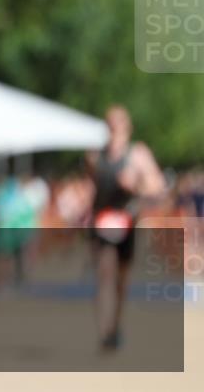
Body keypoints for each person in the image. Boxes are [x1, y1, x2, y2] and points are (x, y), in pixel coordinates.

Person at [85, 104, 166, 352]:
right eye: (109, 124)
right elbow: (91, 190)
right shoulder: (94, 156)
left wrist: (135, 185)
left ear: (127, 127)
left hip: (126, 223)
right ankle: (104, 331)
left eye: (118, 124)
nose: (114, 129)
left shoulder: (138, 154)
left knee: (120, 280)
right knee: (104, 272)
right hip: (101, 223)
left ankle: (115, 325)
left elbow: (158, 187)